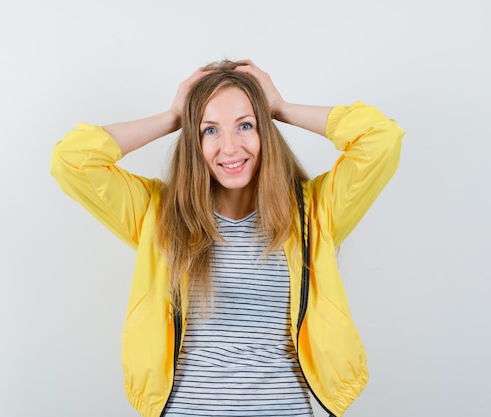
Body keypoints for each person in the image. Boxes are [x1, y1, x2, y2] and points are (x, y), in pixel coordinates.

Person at [50, 59, 404, 417]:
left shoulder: (312, 214)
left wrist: (280, 107)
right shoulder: (158, 216)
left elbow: (380, 139)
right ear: (193, 140)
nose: (230, 147)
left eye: (245, 125)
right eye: (209, 131)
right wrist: (176, 115)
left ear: (265, 130)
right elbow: (72, 160)